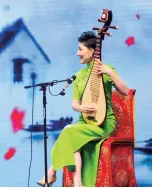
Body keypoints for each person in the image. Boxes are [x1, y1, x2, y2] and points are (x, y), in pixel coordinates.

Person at [36, 31, 129, 187]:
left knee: (68, 131)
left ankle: (52, 172)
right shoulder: (79, 75)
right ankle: (77, 183)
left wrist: (110, 72)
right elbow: (75, 104)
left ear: (92, 51)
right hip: (84, 122)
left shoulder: (105, 70)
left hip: (103, 123)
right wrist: (82, 107)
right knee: (70, 135)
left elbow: (125, 91)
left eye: (80, 49)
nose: (77, 53)